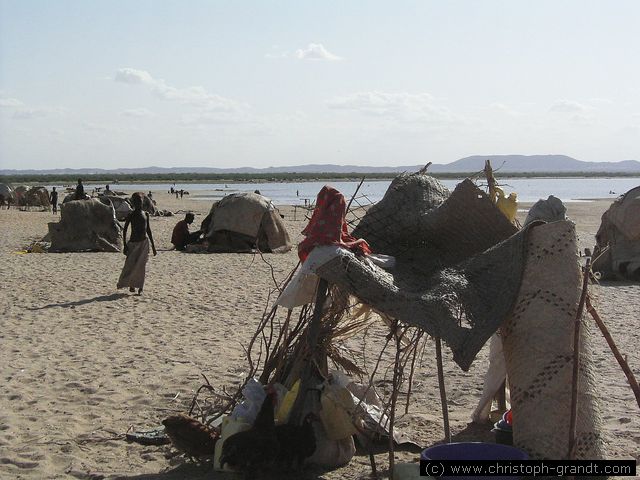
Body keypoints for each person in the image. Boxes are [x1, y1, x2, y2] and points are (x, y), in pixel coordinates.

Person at [117, 193, 157, 294]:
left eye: (140, 202)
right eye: (137, 202)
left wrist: (153, 246)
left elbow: (148, 230)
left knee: (141, 266)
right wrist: (125, 245)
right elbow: (125, 230)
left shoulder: (146, 214)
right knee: (131, 265)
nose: (139, 203)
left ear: (142, 203)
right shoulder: (131, 215)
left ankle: (140, 287)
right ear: (134, 203)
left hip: (143, 243)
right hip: (133, 243)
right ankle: (131, 284)